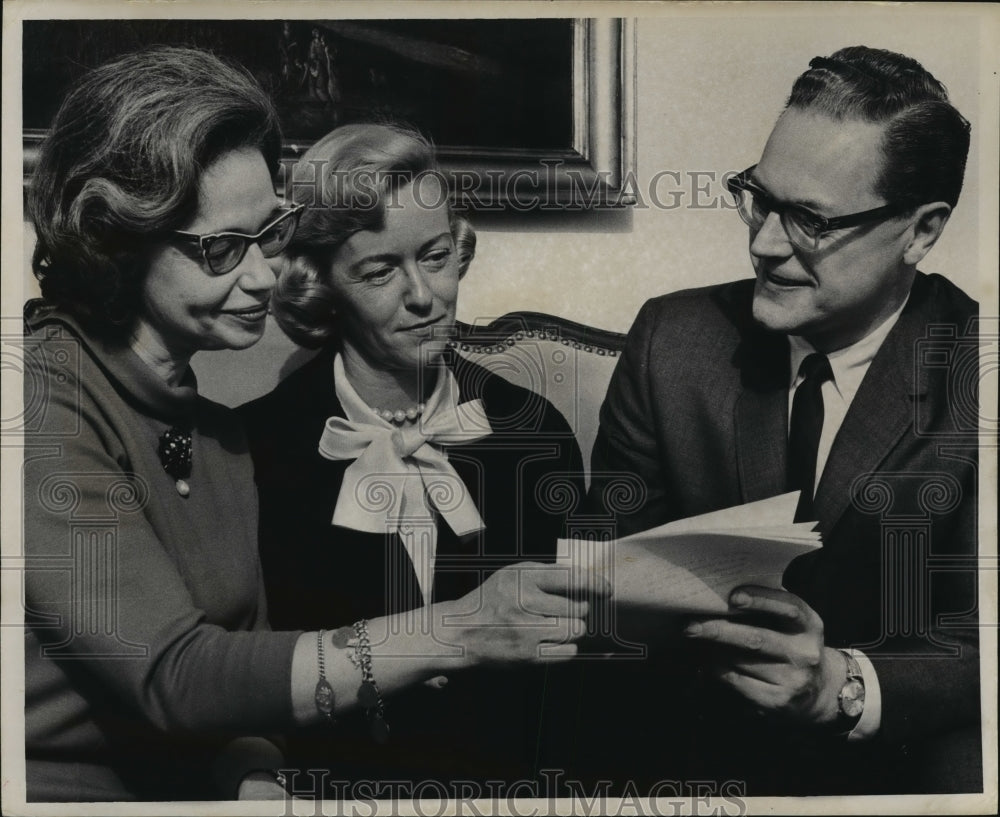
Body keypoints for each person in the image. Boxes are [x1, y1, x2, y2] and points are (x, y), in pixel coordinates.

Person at [23, 47, 594, 803]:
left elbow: (246, 681)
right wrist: (459, 628)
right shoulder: (34, 396)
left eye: (268, 234)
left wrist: (255, 769)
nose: (263, 273)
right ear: (115, 241)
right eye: (222, 248)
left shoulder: (217, 433)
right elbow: (174, 676)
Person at [567, 45, 981, 795]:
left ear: (921, 232)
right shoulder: (673, 341)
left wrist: (840, 685)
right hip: (694, 765)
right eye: (758, 198)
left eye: (811, 221)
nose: (763, 243)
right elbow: (611, 589)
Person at [237, 123, 589, 792]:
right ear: (321, 285)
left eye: (434, 256)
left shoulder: (535, 433)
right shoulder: (256, 449)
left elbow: (580, 666)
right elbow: (241, 677)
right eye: (379, 271)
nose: (424, 297)